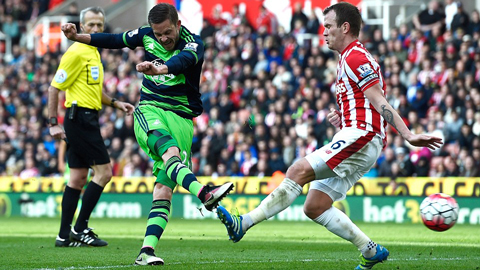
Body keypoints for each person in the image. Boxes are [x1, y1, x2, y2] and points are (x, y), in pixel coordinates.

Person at [216, 2, 443, 270]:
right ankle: (370, 251)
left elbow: (380, 101)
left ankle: (244, 223)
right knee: (315, 205)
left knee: (297, 170)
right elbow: (365, 102)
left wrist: (407, 134)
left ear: (345, 28)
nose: (324, 33)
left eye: (329, 27)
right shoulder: (348, 58)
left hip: (363, 135)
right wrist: (344, 118)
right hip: (359, 134)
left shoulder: (355, 57)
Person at [60, 3, 234, 265]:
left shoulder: (194, 43)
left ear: (177, 24)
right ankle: (205, 193)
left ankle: (146, 251)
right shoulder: (146, 34)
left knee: (164, 190)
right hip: (151, 111)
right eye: (158, 33)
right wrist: (77, 37)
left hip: (183, 120)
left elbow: (181, 61)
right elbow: (114, 39)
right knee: (170, 154)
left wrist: (160, 68)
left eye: (167, 32)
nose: (162, 38)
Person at [48, 6, 135, 248]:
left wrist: (117, 103)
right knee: (105, 173)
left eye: (99, 25)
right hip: (80, 120)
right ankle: (80, 228)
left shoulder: (93, 51)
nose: (96, 29)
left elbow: (94, 91)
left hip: (85, 117)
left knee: (76, 178)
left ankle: (63, 236)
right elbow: (54, 88)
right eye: (91, 25)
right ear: (82, 26)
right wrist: (53, 123)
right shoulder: (77, 52)